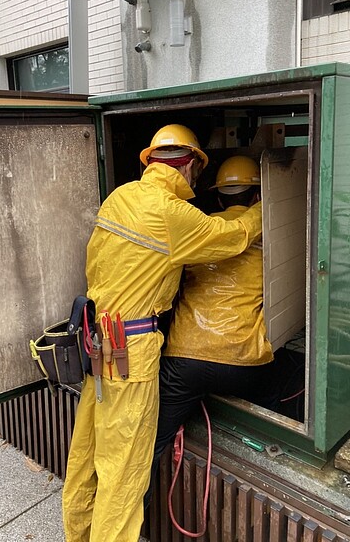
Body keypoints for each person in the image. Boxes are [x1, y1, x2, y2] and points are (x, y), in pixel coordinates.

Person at [62, 126, 263, 542]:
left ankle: (77, 535)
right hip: (130, 351)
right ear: (189, 164)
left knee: (86, 455)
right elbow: (233, 237)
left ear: (151, 160)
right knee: (124, 470)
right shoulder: (173, 214)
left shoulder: (120, 197)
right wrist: (270, 204)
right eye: (196, 172)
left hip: (97, 340)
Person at [145, 155, 276, 508]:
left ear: (218, 198)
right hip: (243, 363)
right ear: (256, 197)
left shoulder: (194, 230)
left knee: (151, 444)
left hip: (184, 360)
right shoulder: (276, 236)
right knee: (284, 383)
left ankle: (131, 520)